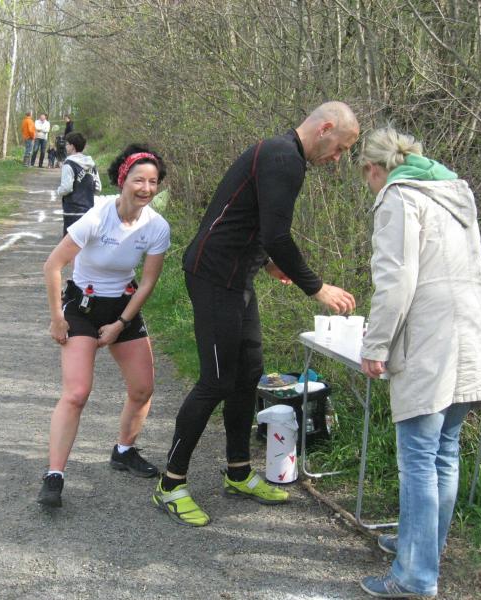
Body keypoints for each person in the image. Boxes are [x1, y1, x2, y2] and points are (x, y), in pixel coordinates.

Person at [153, 101, 359, 527]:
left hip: (238, 277)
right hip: (214, 276)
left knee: (248, 374)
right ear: (325, 129)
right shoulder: (284, 157)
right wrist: (316, 287)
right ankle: (170, 484)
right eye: (340, 148)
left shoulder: (281, 154)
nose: (338, 158)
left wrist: (266, 262)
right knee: (215, 382)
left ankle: (239, 471)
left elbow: (249, 218)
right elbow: (277, 234)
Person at [357, 127, 481, 598]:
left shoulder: (398, 197)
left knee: (420, 457)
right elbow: (477, 268)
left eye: (366, 177)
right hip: (472, 329)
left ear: (374, 169)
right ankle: (422, 547)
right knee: (445, 450)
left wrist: (376, 344)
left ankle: (415, 576)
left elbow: (397, 279)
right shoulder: (455, 194)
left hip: (431, 336)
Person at [38, 144, 170, 508]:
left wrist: (121, 324)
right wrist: (57, 318)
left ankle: (124, 451)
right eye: (138, 180)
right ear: (122, 180)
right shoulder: (97, 216)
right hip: (82, 307)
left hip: (122, 308)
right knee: (77, 393)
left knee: (142, 389)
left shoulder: (156, 226)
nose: (146, 188)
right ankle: (54, 475)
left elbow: (147, 283)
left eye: (153, 182)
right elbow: (53, 265)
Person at [56, 132, 102, 235]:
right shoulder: (91, 164)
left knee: (70, 241)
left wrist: (58, 191)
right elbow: (98, 187)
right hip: (88, 210)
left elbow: (66, 188)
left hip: (72, 211)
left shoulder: (69, 164)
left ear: (72, 146)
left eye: (67, 144)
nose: (65, 146)